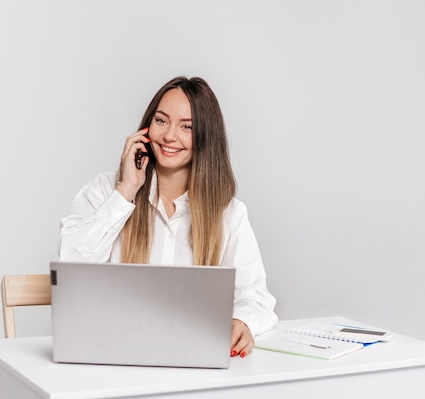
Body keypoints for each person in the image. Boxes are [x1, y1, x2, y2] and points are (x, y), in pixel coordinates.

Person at [59, 76, 277, 358]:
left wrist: (242, 321)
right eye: (161, 121)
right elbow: (71, 269)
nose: (169, 136)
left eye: (187, 126)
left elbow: (256, 297)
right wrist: (126, 191)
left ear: (205, 137)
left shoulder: (228, 213)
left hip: (191, 362)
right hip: (110, 356)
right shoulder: (105, 192)